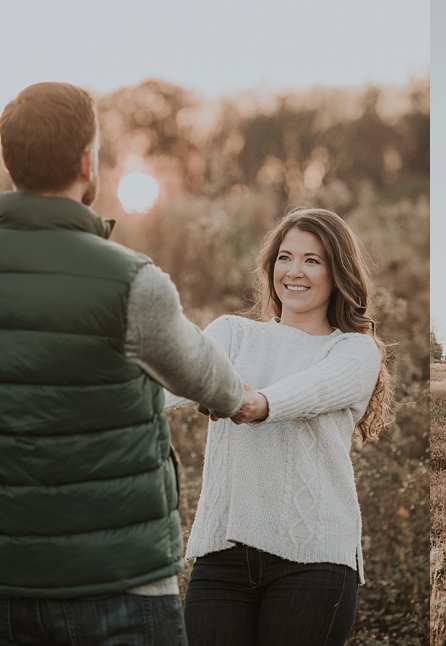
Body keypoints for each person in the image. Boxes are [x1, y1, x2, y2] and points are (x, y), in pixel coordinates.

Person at [0, 81, 253, 645]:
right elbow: (205, 375)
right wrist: (238, 400)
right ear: (88, 162)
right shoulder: (131, 282)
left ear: (9, 161)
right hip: (118, 586)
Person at [168, 207, 393, 645]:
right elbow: (173, 374)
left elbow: (312, 389)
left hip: (314, 562)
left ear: (338, 273)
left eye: (313, 260)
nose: (294, 271)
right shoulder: (232, 334)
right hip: (221, 559)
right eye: (285, 257)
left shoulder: (354, 351)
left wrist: (254, 402)